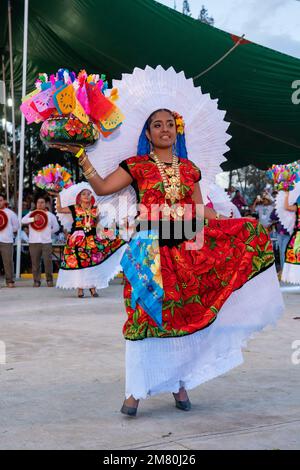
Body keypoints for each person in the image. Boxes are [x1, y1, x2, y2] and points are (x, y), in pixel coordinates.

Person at [57, 107, 283, 417]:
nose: (164, 129)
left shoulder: (190, 169)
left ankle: (179, 383)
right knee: (144, 316)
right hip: (147, 252)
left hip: (186, 251)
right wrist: (81, 154)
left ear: (177, 132)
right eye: (156, 125)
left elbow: (201, 211)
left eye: (169, 124)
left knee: (183, 314)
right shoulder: (136, 166)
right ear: (147, 134)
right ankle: (134, 391)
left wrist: (236, 222)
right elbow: (102, 188)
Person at [54, 185, 126, 298]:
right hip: (76, 239)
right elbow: (59, 209)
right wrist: (58, 195)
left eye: (88, 194)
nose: (86, 196)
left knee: (93, 262)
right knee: (79, 263)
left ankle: (93, 288)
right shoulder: (74, 208)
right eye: (84, 194)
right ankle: (80, 289)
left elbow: (97, 224)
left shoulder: (95, 208)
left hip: (91, 238)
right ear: (79, 197)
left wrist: (105, 234)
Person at [21, 195, 59, 287]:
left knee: (48, 262)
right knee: (35, 263)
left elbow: (57, 227)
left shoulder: (50, 215)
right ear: (36, 204)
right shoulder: (31, 213)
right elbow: (22, 221)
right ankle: (36, 281)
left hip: (46, 242)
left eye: (42, 202)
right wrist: (33, 219)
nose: (40, 204)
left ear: (45, 204)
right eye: (38, 202)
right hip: (33, 242)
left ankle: (49, 280)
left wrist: (47, 232)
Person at [0, 193, 19, 287]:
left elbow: (16, 226)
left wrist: (8, 231)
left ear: (4, 201)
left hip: (6, 240)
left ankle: (10, 281)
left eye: (0, 200)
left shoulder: (10, 213)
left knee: (8, 262)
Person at [281, 193, 300, 284]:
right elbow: (286, 207)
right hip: (298, 235)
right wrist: (287, 195)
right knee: (294, 255)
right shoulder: (298, 205)